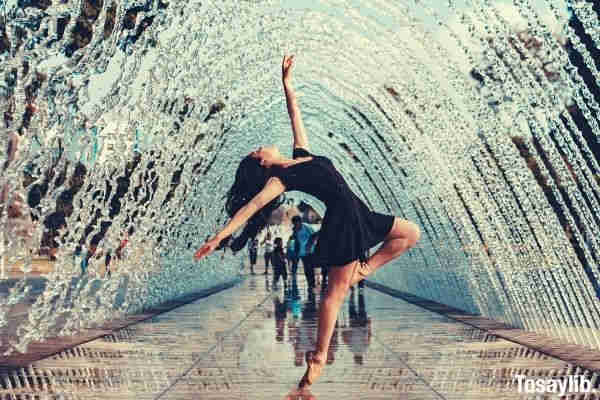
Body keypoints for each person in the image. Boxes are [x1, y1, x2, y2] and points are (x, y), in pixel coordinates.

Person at [194, 55, 421, 389]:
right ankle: (317, 358)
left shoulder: (301, 153)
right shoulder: (279, 182)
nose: (262, 146)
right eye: (258, 150)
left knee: (409, 234)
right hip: (343, 221)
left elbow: (295, 113)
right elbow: (248, 209)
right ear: (263, 164)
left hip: (360, 212)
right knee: (336, 292)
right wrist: (219, 237)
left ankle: (365, 270)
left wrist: (287, 83)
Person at [291, 215, 316, 290]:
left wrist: (310, 244)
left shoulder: (307, 227)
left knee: (310, 268)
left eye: (297, 223)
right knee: (306, 269)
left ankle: (312, 284)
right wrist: (296, 251)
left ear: (300, 222)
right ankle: (310, 284)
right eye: (294, 224)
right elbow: (296, 240)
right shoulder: (295, 229)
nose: (296, 225)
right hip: (302, 252)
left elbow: (314, 235)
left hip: (310, 251)